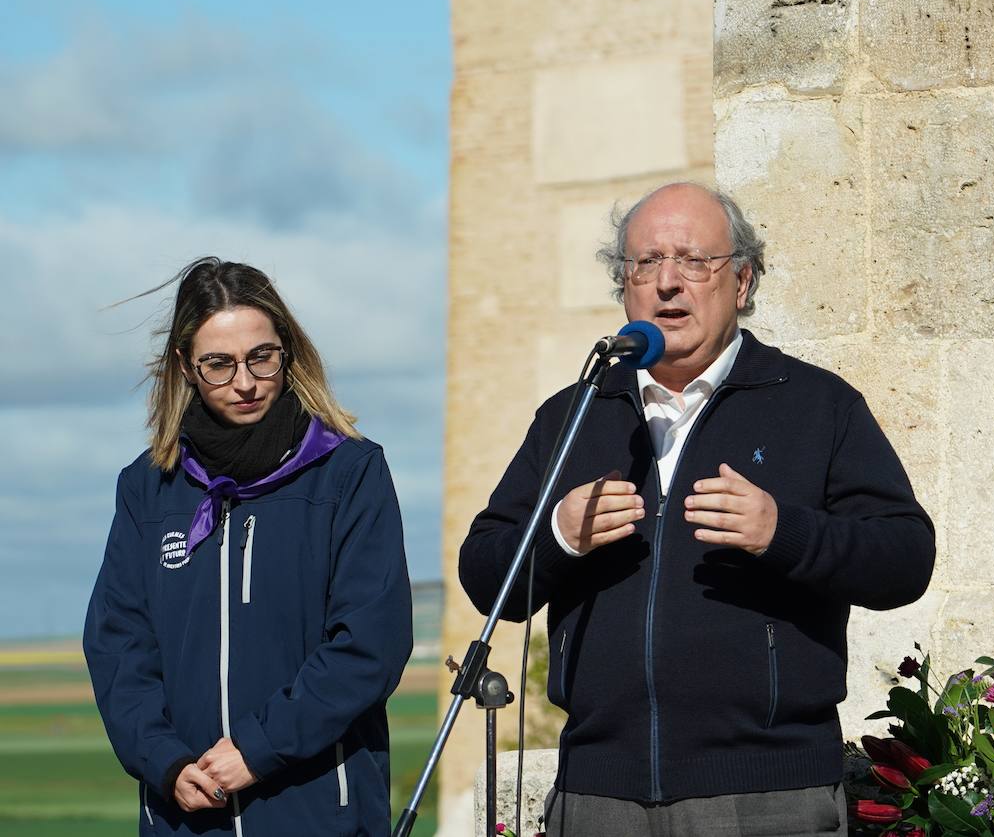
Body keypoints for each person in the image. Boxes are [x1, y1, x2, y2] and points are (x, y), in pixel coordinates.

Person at [459, 183, 936, 836]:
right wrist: (559, 537)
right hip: (597, 797)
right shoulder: (574, 416)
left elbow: (906, 556)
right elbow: (487, 575)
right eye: (645, 263)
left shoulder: (815, 405)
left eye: (693, 260)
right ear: (623, 286)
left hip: (768, 793)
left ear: (741, 282)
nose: (667, 283)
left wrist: (784, 533)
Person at [84, 258, 413, 836]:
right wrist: (166, 761)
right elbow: (118, 648)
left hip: (318, 813)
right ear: (185, 366)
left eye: (261, 357)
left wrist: (256, 751)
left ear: (287, 351)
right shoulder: (146, 488)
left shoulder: (349, 472)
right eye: (219, 363)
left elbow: (370, 643)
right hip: (183, 817)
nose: (244, 381)